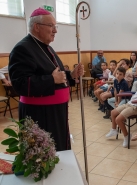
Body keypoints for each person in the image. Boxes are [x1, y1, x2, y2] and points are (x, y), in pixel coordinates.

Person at [8, 8, 84, 151]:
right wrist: (51, 79)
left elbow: (56, 75)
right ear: (37, 27)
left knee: (58, 149)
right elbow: (19, 84)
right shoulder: (22, 48)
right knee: (43, 155)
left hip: (55, 112)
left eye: (56, 26)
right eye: (51, 26)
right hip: (39, 115)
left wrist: (71, 75)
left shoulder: (46, 47)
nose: (55, 30)